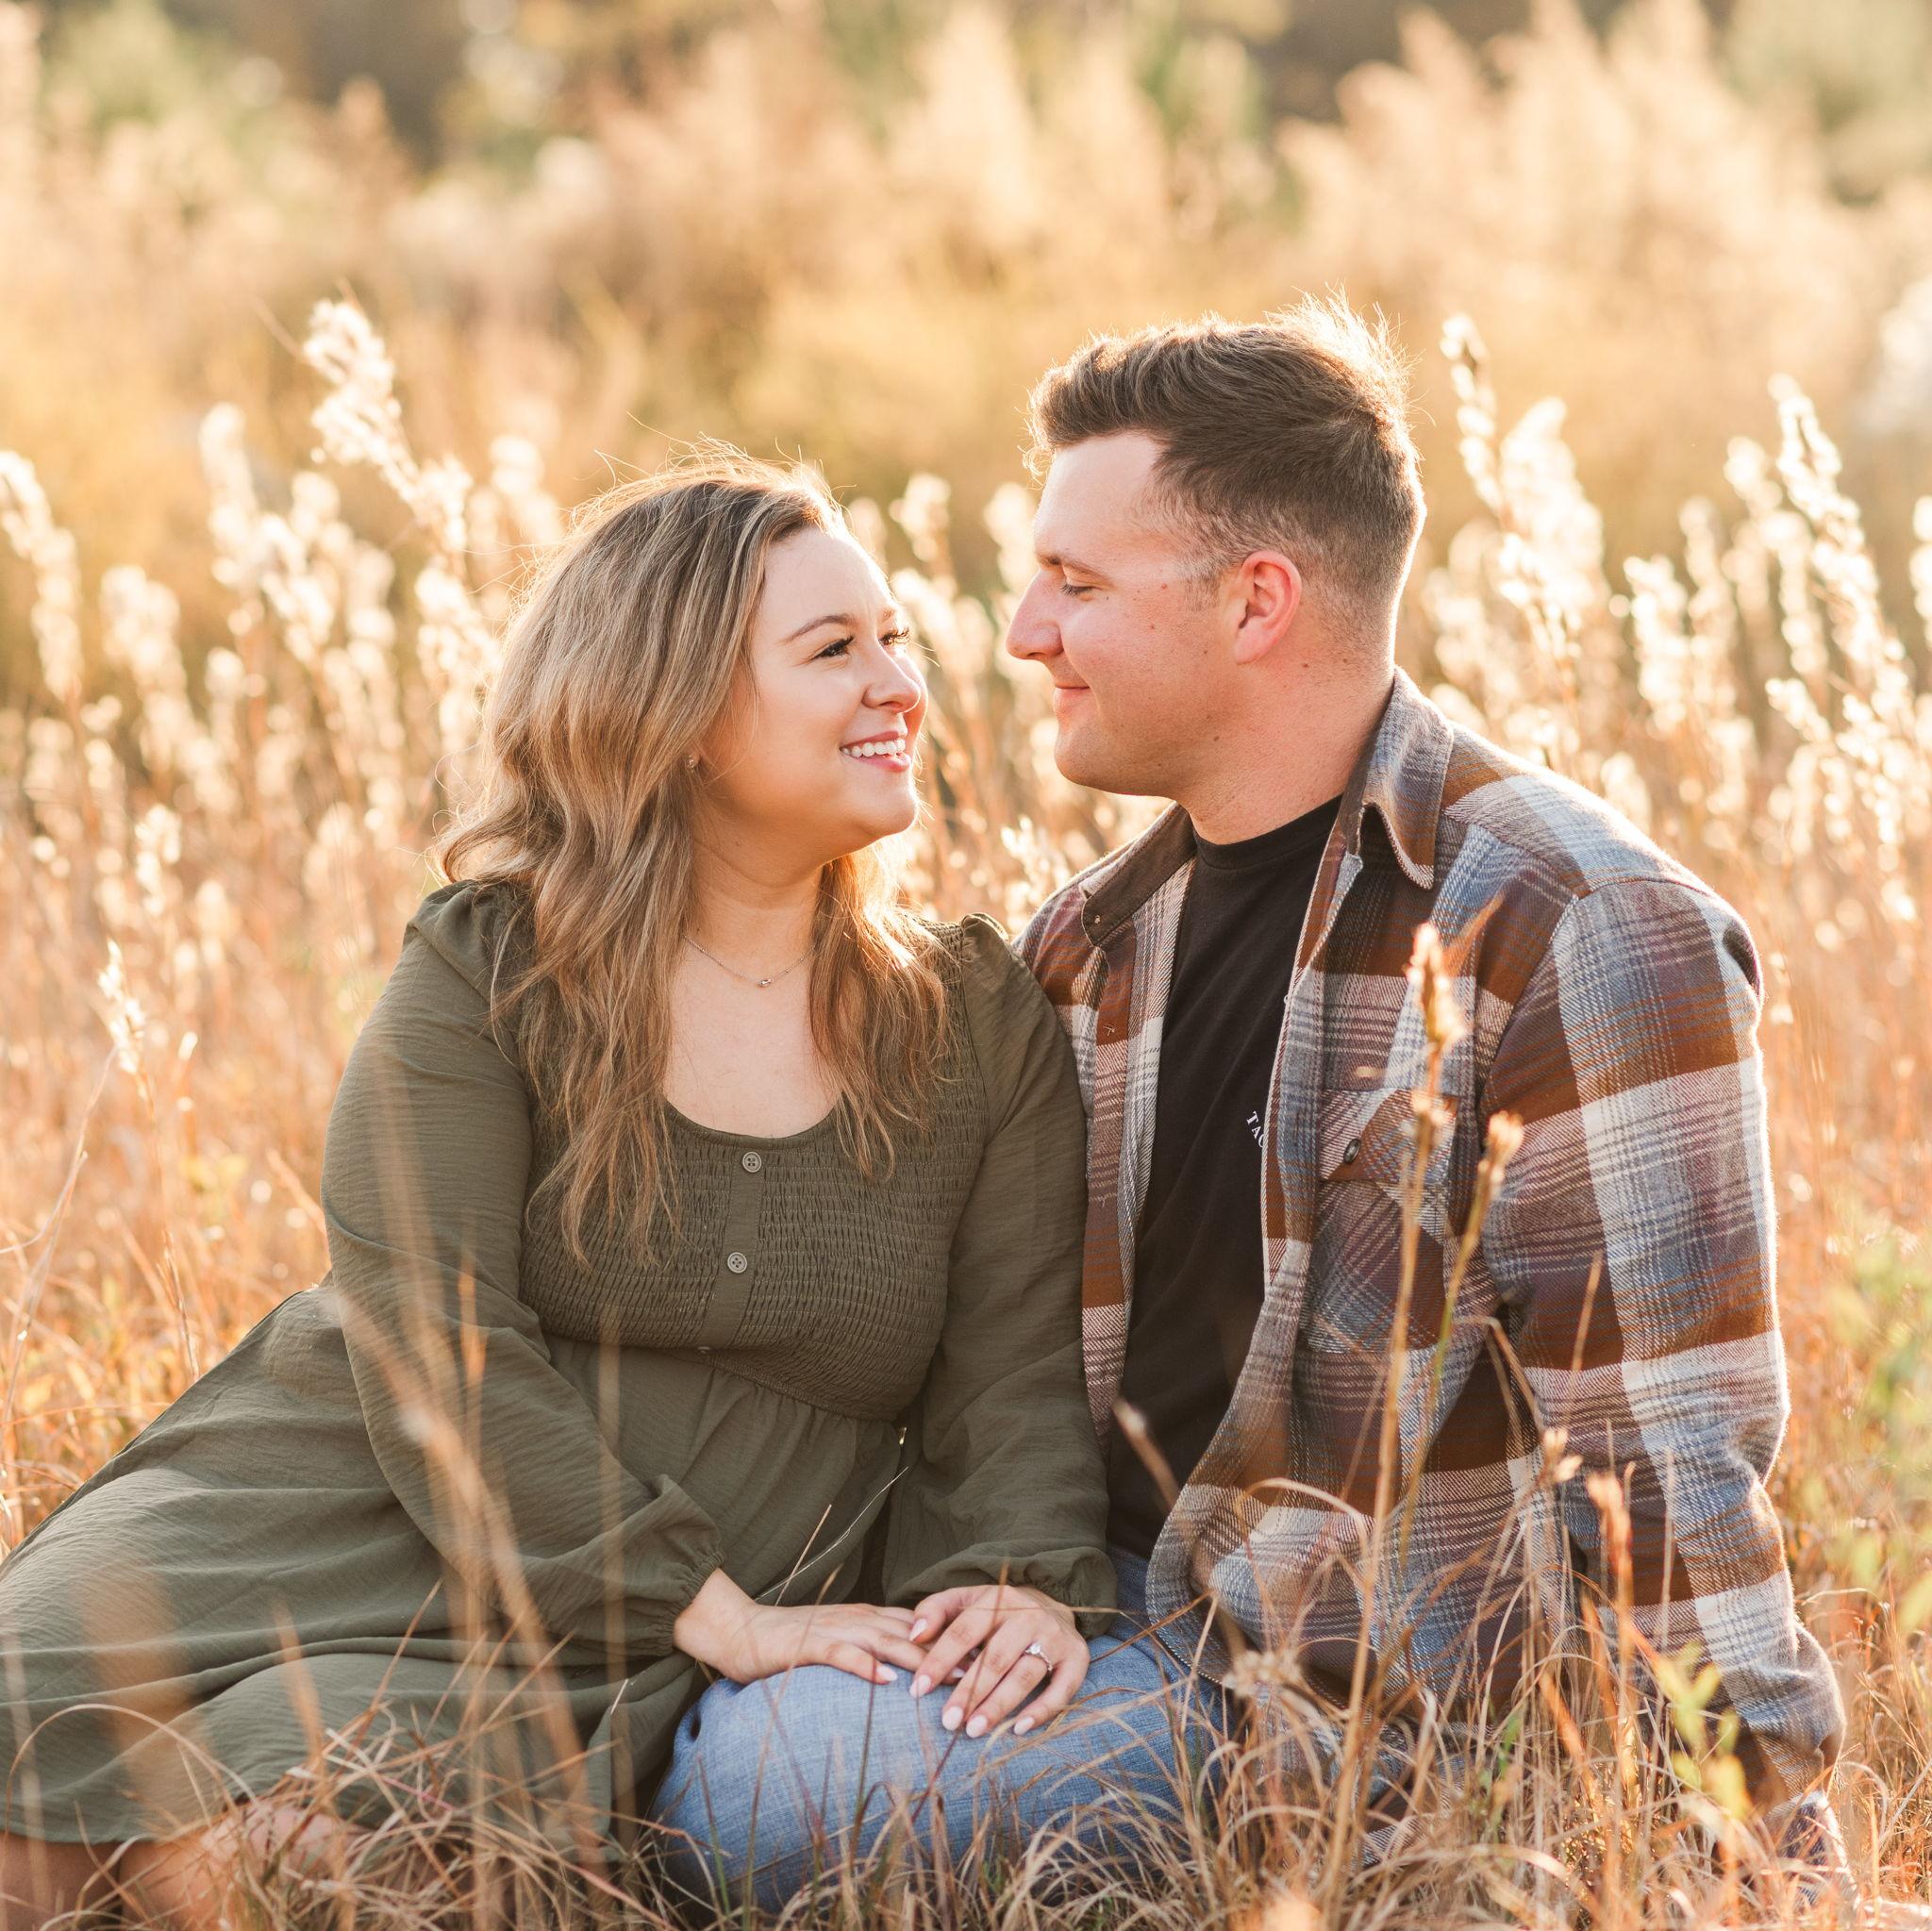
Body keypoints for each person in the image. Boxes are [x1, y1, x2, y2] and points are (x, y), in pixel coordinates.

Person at [668, 300, 1855, 1906]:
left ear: (1257, 603)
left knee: (753, 1791)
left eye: (1075, 585)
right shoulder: (1090, 943)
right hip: (1085, 1611)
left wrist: (1775, 1870)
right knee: (643, 1679)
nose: (1021, 632)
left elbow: (1669, 1484)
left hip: (1329, 1720)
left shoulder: (1574, 930)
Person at [0, 453, 1114, 1931]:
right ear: (683, 715)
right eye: (834, 649)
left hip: (617, 1642)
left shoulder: (973, 1020)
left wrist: (1024, 1579)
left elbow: (1013, 1384)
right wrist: (724, 1617)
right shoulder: (492, 971)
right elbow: (431, 1343)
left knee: (345, 1867)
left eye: (897, 637)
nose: (900, 683)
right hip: (323, 1519)